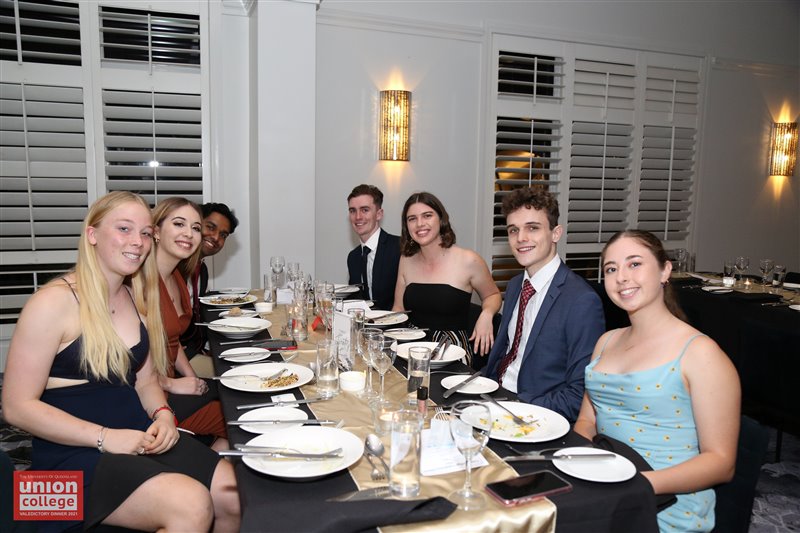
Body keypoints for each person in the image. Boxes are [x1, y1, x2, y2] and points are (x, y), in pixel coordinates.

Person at [1, 191, 240, 532]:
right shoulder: (52, 303)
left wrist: (163, 414)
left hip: (137, 436)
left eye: (145, 232)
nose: (138, 241)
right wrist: (104, 437)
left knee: (232, 493)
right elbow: (16, 408)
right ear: (93, 234)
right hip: (68, 461)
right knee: (191, 504)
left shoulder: (134, 295)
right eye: (124, 229)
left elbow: (145, 382)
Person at [574, 230, 740, 532]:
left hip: (665, 508)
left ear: (665, 271)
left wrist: (634, 485)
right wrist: (580, 468)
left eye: (634, 264)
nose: (621, 277)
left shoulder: (700, 354)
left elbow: (721, 462)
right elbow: (587, 421)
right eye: (611, 269)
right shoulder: (605, 343)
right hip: (607, 491)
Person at [484, 187, 605, 421]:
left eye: (532, 228)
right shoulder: (516, 285)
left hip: (536, 415)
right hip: (495, 397)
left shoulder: (581, 300)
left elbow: (579, 395)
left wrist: (516, 408)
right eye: (513, 230)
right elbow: (508, 354)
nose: (521, 238)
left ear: (556, 233)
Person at [152, 197, 228, 449]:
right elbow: (127, 367)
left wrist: (193, 378)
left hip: (171, 379)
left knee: (238, 393)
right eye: (178, 224)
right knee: (241, 417)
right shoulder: (139, 284)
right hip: (153, 397)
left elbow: (173, 341)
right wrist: (171, 384)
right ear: (156, 231)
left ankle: (214, 461)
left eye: (195, 227)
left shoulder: (175, 276)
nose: (189, 233)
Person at [393, 191, 501, 364]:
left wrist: (487, 314)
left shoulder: (469, 260)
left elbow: (493, 295)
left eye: (427, 215)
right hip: (411, 348)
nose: (420, 224)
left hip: (451, 351)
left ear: (441, 219)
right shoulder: (406, 259)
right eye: (412, 219)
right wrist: (389, 339)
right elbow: (398, 308)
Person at [181, 202, 239, 357]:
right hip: (180, 357)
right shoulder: (174, 269)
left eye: (223, 235)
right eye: (211, 227)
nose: (216, 237)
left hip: (198, 349)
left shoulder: (202, 270)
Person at [346, 184, 401, 310]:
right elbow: (355, 300)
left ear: (379, 214)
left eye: (365, 210)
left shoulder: (399, 248)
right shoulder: (353, 257)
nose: (358, 217)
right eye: (353, 211)